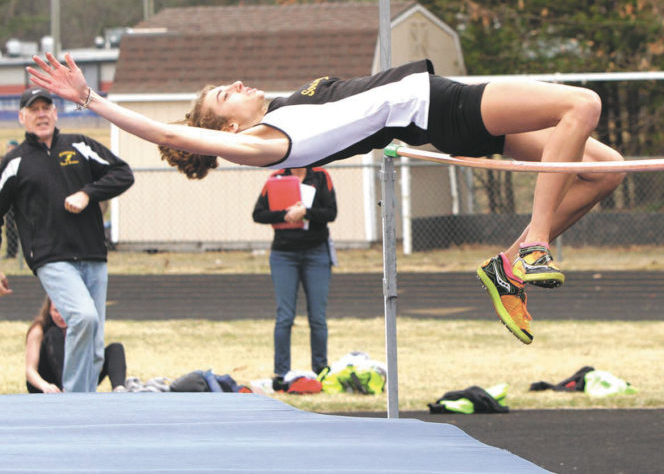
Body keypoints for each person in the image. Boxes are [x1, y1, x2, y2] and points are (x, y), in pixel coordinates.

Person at [28, 52, 624, 345]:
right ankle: (535, 245)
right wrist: (91, 99)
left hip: (435, 108)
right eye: (224, 95)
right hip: (438, 106)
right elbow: (174, 135)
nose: (236, 84)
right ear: (228, 128)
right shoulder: (264, 142)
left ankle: (506, 264)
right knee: (582, 103)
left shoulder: (285, 104)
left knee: (606, 171)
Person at [0, 86, 134, 392]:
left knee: (95, 345)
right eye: (33, 110)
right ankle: (73, 401)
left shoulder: (80, 145)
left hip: (93, 254)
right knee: (83, 317)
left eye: (46, 108)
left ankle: (84, 408)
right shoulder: (15, 162)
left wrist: (88, 193)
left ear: (55, 113)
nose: (41, 115)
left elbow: (122, 173)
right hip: (51, 258)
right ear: (22, 117)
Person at [253, 166, 338, 384]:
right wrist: (285, 214)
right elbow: (258, 214)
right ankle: (282, 372)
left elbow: (331, 212)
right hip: (284, 254)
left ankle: (321, 369)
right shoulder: (276, 177)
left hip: (316, 252)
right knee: (285, 316)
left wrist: (306, 212)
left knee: (317, 316)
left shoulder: (321, 176)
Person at [25, 295, 127, 393]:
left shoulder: (82, 327)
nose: (61, 316)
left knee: (115, 348)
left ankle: (119, 389)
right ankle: (67, 388)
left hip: (78, 379)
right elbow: (30, 370)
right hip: (46, 383)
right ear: (49, 311)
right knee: (54, 334)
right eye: (56, 311)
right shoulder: (39, 329)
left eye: (65, 311)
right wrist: (45, 386)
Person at [3, 140, 20, 259]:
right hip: (9, 198)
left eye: (12, 147)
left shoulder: (22, 160)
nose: (10, 150)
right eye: (8, 147)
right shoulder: (5, 162)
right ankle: (11, 252)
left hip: (21, 198)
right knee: (9, 226)